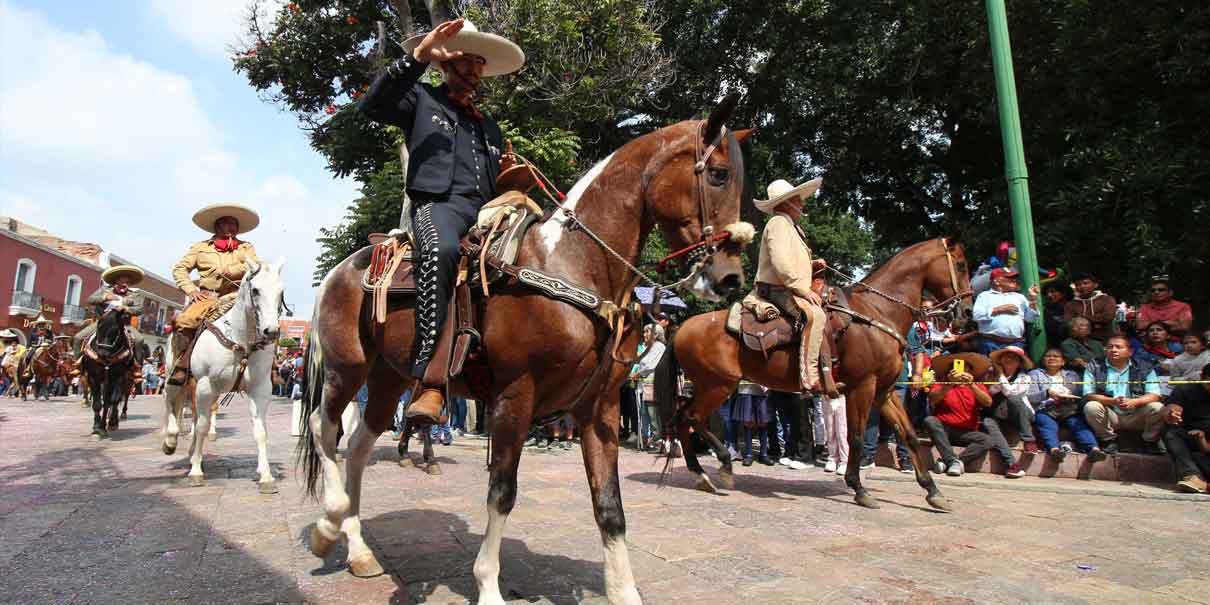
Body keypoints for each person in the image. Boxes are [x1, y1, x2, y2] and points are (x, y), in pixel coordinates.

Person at [361, 18, 524, 423]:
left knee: (530, 257)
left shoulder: (490, 126)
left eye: (478, 64)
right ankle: (428, 382)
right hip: (438, 206)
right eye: (464, 62)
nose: (473, 70)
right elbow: (373, 105)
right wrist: (418, 57)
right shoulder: (421, 100)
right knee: (443, 249)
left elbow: (493, 178)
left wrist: (512, 175)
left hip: (486, 209)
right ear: (446, 65)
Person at [751, 177, 831, 395]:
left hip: (785, 287)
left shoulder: (790, 226)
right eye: (798, 199)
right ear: (787, 203)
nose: (802, 204)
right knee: (815, 316)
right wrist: (802, 289)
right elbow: (781, 263)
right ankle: (809, 378)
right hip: (778, 290)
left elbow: (788, 260)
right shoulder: (778, 223)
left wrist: (812, 264)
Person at [169, 203, 261, 385]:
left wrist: (232, 270)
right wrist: (191, 290)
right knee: (185, 321)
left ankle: (270, 367)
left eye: (235, 224)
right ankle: (182, 364)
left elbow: (254, 265)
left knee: (265, 320)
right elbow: (180, 269)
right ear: (217, 226)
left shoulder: (246, 247)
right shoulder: (200, 247)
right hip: (208, 297)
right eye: (227, 223)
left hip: (237, 295)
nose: (232, 227)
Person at [923, 354, 1026, 478]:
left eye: (965, 368)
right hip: (944, 429)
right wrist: (949, 384)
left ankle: (953, 462)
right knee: (930, 420)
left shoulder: (977, 385)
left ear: (970, 372)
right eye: (956, 368)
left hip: (967, 432)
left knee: (988, 440)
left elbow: (987, 402)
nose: (961, 371)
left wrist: (971, 385)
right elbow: (933, 399)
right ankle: (951, 461)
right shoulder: (942, 383)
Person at [1082, 335, 1165, 455]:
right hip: (1110, 414)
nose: (1113, 350)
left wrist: (1134, 402)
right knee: (1091, 406)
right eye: (1110, 347)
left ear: (1130, 351)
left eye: (1118, 347)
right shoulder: (1094, 366)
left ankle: (1150, 441)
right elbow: (1088, 394)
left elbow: (1155, 394)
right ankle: (1108, 440)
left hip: (1137, 413)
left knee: (1158, 407)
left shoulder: (1144, 367)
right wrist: (1113, 401)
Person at [1027, 348, 1105, 462]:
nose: (1052, 358)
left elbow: (1081, 394)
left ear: (1063, 361)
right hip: (1045, 409)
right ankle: (1054, 450)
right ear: (1043, 360)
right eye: (1048, 356)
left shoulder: (1072, 375)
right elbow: (1030, 397)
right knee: (1047, 424)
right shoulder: (1035, 374)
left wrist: (1069, 397)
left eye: (1056, 356)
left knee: (1078, 424)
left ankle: (1094, 450)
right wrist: (1047, 393)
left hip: (1069, 408)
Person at [75, 265, 146, 358]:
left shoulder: (135, 294)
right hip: (101, 323)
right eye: (122, 279)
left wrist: (125, 308)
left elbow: (139, 309)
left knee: (139, 340)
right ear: (116, 280)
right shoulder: (105, 290)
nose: (125, 282)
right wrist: (105, 297)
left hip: (124, 324)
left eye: (128, 280)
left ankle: (137, 367)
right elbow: (90, 299)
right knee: (78, 338)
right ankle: (76, 363)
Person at [1161, 364, 1210, 493]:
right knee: (1171, 432)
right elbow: (1172, 407)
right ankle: (1193, 477)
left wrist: (1204, 440)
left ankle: (1204, 486)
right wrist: (1172, 414)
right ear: (1201, 378)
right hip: (1191, 439)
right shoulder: (1186, 390)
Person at [971, 268, 1039, 355]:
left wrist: (1032, 299)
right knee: (989, 368)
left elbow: (1031, 318)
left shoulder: (1020, 297)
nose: (1014, 280)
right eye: (1009, 278)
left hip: (1015, 343)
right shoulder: (984, 296)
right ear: (997, 281)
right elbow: (976, 316)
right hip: (990, 343)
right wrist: (1001, 309)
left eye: (1014, 278)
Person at [987, 346, 1039, 453]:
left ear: (1019, 363)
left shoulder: (1024, 378)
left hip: (1021, 412)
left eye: (1013, 358)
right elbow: (991, 391)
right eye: (1005, 357)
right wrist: (999, 375)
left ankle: (1029, 440)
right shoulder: (991, 376)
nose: (1009, 359)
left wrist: (1001, 375)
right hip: (999, 411)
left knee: (1014, 399)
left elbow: (1010, 393)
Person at [1062, 272, 1117, 342]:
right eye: (1078, 284)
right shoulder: (1070, 304)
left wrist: (1080, 318)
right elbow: (1068, 322)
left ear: (1095, 285)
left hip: (1104, 341)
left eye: (1085, 283)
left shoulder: (1107, 299)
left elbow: (1107, 317)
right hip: (1079, 342)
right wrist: (1096, 321)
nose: (1082, 286)